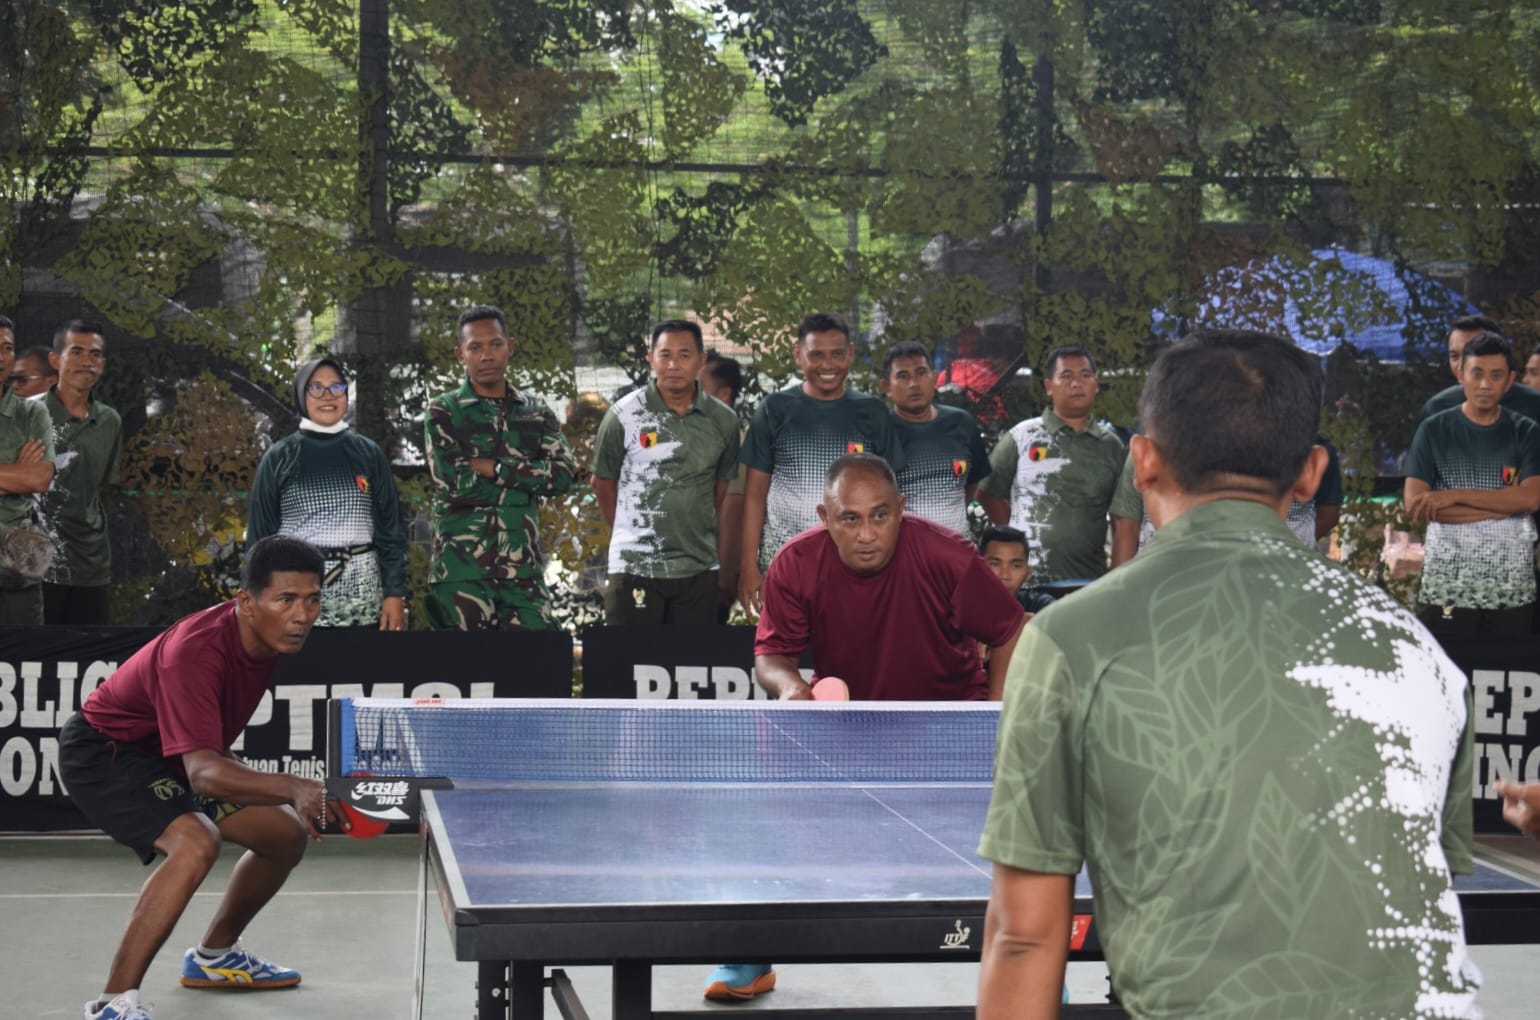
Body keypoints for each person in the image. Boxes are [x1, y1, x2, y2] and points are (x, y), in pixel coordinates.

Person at [977, 330, 1479, 1020]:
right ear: (1310, 472)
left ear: (1143, 461)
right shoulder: (1417, 650)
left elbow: (1025, 939)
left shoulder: (1070, 639)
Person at [705, 454, 1025, 1003]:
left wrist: (989, 721)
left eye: (880, 515)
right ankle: (750, 955)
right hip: (851, 730)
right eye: (849, 519)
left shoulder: (947, 556)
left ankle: (1028, 968)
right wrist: (791, 687)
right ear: (824, 517)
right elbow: (771, 655)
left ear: (901, 509)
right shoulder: (797, 563)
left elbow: (1011, 630)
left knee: (993, 857)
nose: (867, 534)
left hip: (945, 726)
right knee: (778, 825)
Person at [58, 536, 340, 1020]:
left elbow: (207, 748)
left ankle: (215, 956)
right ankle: (112, 1004)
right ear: (246, 602)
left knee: (282, 835)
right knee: (195, 842)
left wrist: (283, 795)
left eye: (312, 600)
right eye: (286, 600)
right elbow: (205, 773)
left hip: (171, 755)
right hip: (106, 751)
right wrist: (295, 786)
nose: (302, 616)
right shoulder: (195, 650)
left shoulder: (264, 638)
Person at [737, 312, 903, 614]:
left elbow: (892, 499)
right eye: (816, 355)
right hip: (783, 563)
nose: (828, 365)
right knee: (786, 643)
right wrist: (749, 566)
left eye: (837, 354)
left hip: (854, 567)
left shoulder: (872, 412)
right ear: (798, 355)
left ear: (850, 354)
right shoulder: (775, 409)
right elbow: (754, 493)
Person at [424, 304, 577, 630]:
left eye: (495, 344)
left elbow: (563, 475)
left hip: (522, 570)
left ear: (510, 346)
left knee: (538, 656)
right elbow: (455, 484)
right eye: (475, 347)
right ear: (460, 355)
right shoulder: (444, 412)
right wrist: (528, 483)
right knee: (465, 663)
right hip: (461, 571)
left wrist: (496, 469)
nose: (486, 355)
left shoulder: (535, 412)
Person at [591, 320, 740, 625]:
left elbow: (719, 489)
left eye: (684, 355)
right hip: (635, 567)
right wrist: (630, 533)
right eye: (665, 355)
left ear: (701, 360)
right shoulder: (623, 415)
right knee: (630, 655)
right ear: (651, 359)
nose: (673, 365)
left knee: (691, 655)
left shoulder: (724, 420)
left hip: (698, 567)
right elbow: (603, 483)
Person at [246, 357, 409, 629]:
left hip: (362, 594)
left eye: (336, 387)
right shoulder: (280, 456)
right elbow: (259, 539)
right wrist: (256, 599)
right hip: (295, 592)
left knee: (362, 658)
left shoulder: (368, 453)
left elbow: (390, 529)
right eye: (316, 388)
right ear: (301, 395)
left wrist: (395, 592)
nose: (328, 396)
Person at [1404, 331, 1540, 635]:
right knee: (1448, 660)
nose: (1485, 384)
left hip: (1511, 583)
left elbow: (1531, 498)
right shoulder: (1433, 430)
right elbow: (1415, 505)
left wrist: (1451, 497)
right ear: (1460, 375)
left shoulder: (1527, 432)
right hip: (1447, 581)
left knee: (1507, 661)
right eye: (1477, 374)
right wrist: (1506, 506)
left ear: (1510, 380)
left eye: (1496, 376)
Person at [978, 345, 1125, 584]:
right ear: (1048, 386)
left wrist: (1116, 578)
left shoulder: (1111, 446)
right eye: (1066, 376)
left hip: (1088, 582)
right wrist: (1017, 534)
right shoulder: (1022, 436)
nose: (1076, 383)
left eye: (1085, 375)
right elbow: (986, 492)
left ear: (1096, 384)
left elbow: (1122, 518)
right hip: (1027, 582)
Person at [36, 320, 123, 624]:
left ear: (103, 364)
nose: (87, 361)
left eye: (95, 354)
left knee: (88, 650)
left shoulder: (110, 421)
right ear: (55, 359)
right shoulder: (27, 416)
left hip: (91, 566)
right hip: (34, 565)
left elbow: (98, 487)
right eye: (76, 351)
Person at [881, 341, 990, 535]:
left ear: (934, 377)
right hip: (902, 549)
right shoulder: (879, 434)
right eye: (903, 376)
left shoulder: (962, 423)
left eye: (921, 373)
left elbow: (971, 484)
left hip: (956, 546)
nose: (914, 384)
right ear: (887, 387)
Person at [0, 314, 56, 625]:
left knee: (25, 651)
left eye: (7, 348)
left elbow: (39, 477)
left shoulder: (32, 413)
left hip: (16, 569)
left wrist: (27, 475)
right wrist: (15, 474)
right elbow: (26, 478)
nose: (1, 357)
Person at [1420, 314, 1540, 423]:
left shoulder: (1533, 404)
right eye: (1454, 356)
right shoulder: (1437, 408)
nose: (1461, 364)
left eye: (1472, 354)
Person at [700, 349, 745, 619]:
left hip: (710, 578)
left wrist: (725, 576)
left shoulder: (731, 442)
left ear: (723, 395)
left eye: (699, 386)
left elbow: (732, 511)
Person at [978, 525, 1055, 616]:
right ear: (977, 569)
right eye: (995, 564)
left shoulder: (1040, 605)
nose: (1005, 576)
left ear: (1028, 573)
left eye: (1015, 566)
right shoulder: (964, 608)